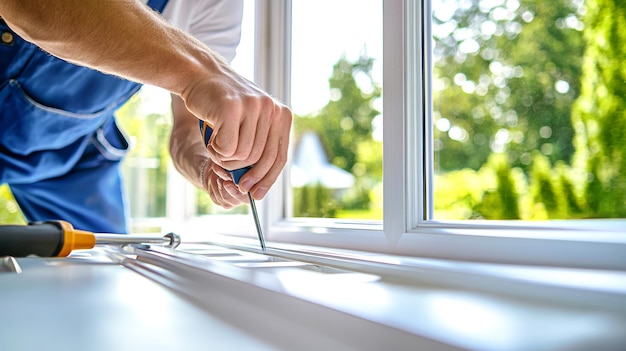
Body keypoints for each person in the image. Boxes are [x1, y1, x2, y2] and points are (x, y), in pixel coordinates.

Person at [0, 0, 292, 233]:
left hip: (73, 152)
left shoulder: (218, 7)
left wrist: (206, 166)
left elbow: (189, 130)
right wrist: (201, 72)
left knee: (102, 271)